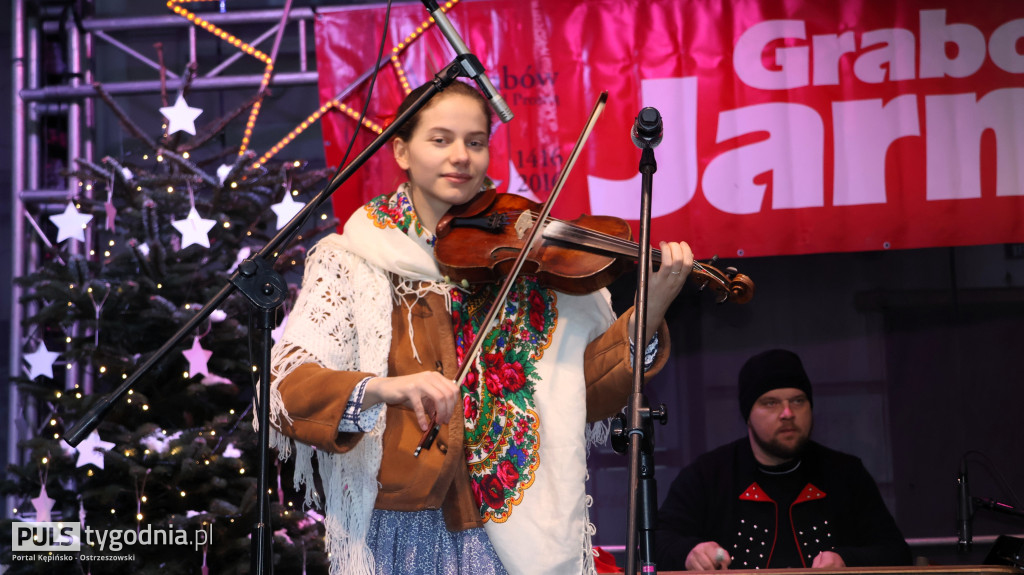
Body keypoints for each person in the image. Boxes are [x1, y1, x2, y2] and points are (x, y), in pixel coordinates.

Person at [266, 79, 694, 575]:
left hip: (523, 526)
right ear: (401, 150)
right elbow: (286, 391)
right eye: (440, 139)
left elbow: (588, 392)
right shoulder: (352, 259)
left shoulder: (530, 248)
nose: (461, 157)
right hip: (405, 528)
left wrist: (647, 315)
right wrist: (383, 389)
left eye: (475, 142)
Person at [654, 349, 912, 571]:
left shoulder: (846, 474)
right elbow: (655, 541)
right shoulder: (708, 475)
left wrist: (846, 561)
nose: (788, 413)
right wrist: (689, 552)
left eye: (798, 401)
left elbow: (896, 553)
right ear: (747, 415)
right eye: (770, 403)